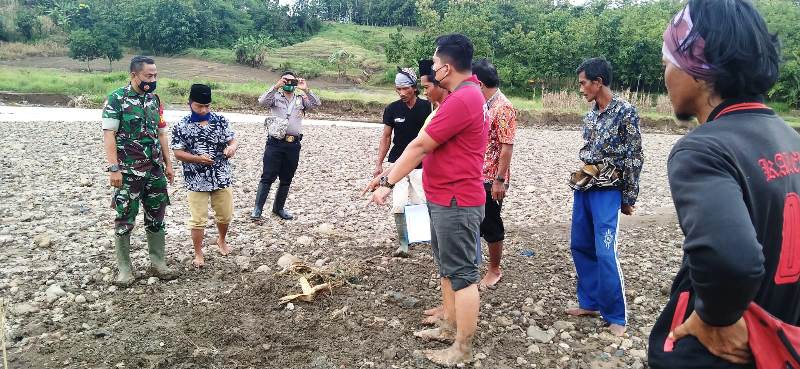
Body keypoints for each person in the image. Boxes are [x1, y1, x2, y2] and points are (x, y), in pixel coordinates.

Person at [649, 1, 800, 367]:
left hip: (723, 352)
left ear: (699, 69)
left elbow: (731, 260)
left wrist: (715, 318)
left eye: (670, 60)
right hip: (778, 343)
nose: (665, 73)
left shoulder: (703, 150)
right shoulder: (791, 139)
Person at [366, 34, 487, 366]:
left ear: (446, 68)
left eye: (434, 65)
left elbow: (420, 145)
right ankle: (449, 323)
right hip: (444, 198)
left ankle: (462, 347)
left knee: (462, 276)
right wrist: (386, 176)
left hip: (456, 201)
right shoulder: (462, 95)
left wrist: (388, 181)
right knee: (448, 269)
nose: (432, 71)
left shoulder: (464, 99)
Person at [566, 57, 643, 336]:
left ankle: (616, 315)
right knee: (580, 245)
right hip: (585, 186)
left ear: (598, 83)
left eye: (584, 83)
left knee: (605, 251)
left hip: (609, 190)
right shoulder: (590, 115)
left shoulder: (626, 112)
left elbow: (635, 156)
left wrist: (629, 196)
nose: (581, 89)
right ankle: (590, 303)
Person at [101, 55, 177, 287]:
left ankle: (158, 262)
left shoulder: (154, 100)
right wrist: (114, 168)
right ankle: (125, 268)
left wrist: (168, 163)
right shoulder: (117, 99)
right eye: (148, 76)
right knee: (125, 218)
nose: (152, 79)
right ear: (134, 75)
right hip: (128, 171)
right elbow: (109, 134)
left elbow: (162, 133)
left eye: (155, 75)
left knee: (157, 217)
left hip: (154, 170)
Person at [171, 84, 238, 268]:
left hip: (221, 176)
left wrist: (232, 147)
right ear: (190, 103)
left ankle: (221, 240)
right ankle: (198, 253)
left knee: (225, 215)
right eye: (199, 106)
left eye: (207, 106)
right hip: (196, 180)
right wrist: (197, 159)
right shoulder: (181, 126)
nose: (204, 110)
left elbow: (232, 139)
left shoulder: (220, 120)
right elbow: (178, 152)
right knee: (198, 218)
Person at [373, 67, 432, 257]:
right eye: (397, 89)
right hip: (397, 162)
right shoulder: (392, 109)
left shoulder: (427, 107)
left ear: (414, 88)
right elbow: (386, 137)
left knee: (420, 201)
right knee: (398, 204)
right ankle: (403, 243)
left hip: (422, 163)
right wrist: (379, 164)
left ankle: (422, 237)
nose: (401, 93)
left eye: (404, 89)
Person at [251, 71, 321, 220]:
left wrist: (306, 89)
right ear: (281, 81)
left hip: (293, 144)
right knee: (268, 176)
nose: (289, 84)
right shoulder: (275, 97)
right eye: (286, 81)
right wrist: (276, 87)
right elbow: (262, 101)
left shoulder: (301, 98)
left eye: (292, 81)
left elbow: (316, 104)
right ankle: (257, 209)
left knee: (287, 177)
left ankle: (278, 208)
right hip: (275, 142)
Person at [472, 58, 517, 288]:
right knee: (476, 221)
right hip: (478, 175)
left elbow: (507, 145)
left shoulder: (502, 107)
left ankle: (495, 269)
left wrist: (500, 180)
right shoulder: (486, 104)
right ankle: (477, 265)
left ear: (479, 83)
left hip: (492, 178)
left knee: (491, 222)